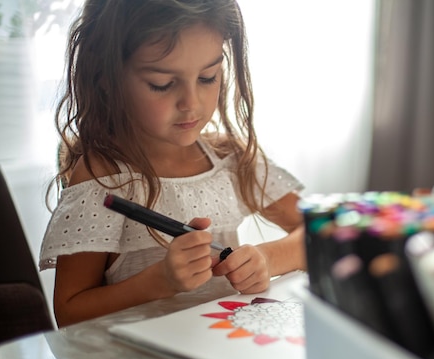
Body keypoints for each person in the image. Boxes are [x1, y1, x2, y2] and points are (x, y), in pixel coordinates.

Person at [39, 0, 306, 327]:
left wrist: (267, 258)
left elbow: (318, 232)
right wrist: (158, 282)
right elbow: (69, 313)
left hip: (224, 358)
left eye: (208, 77)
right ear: (105, 78)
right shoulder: (105, 178)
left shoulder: (229, 160)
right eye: (162, 84)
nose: (191, 104)